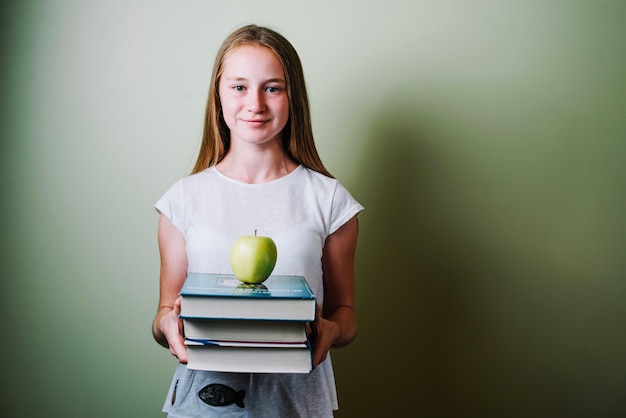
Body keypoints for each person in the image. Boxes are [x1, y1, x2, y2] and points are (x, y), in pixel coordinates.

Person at [152, 24, 363, 417]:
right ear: (218, 95)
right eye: (239, 87)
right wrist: (168, 326)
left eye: (272, 87)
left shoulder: (330, 200)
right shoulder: (182, 199)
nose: (255, 104)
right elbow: (165, 312)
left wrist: (332, 330)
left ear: (292, 96)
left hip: (299, 404)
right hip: (203, 403)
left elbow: (345, 314)